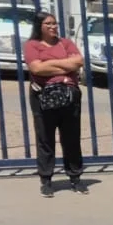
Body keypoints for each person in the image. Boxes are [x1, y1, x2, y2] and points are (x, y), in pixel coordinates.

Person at [22, 11, 86, 198]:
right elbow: (36, 68)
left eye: (55, 23)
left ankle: (75, 177)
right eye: (48, 23)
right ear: (39, 26)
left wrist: (49, 63)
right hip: (43, 96)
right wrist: (65, 65)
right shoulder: (32, 45)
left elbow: (79, 62)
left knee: (71, 138)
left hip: (69, 95)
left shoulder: (66, 43)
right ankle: (46, 179)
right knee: (45, 138)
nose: (53, 27)